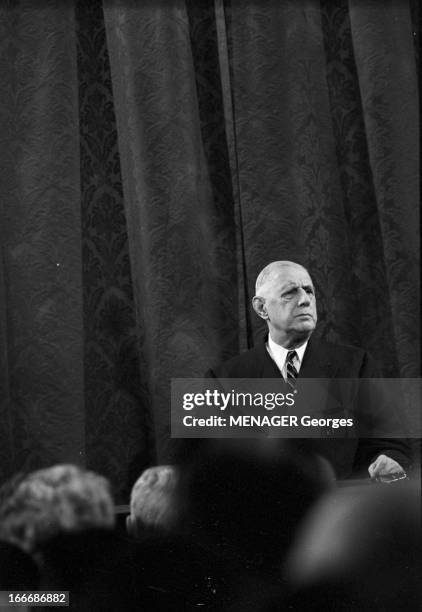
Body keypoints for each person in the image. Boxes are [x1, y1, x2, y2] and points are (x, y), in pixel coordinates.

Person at [208, 261, 411, 479]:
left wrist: (391, 459)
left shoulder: (355, 364)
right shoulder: (224, 380)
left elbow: (390, 441)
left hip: (337, 505)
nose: (305, 300)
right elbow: (211, 464)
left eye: (309, 291)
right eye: (290, 293)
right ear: (261, 308)